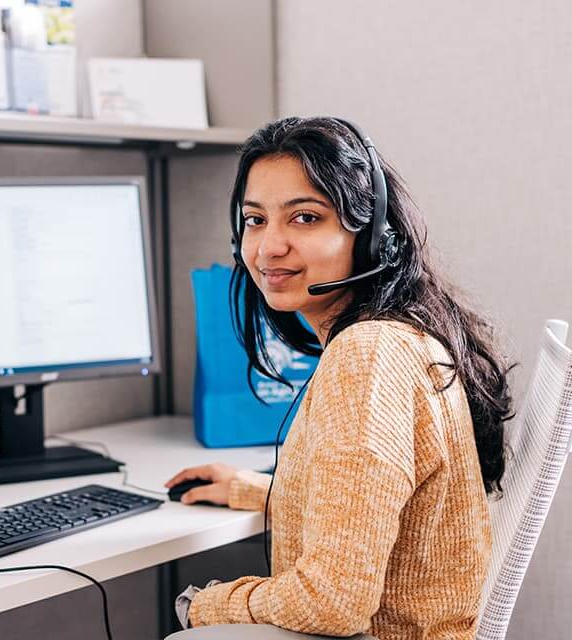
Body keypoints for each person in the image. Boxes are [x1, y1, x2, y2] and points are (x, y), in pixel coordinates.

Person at [166, 117, 514, 639]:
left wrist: (204, 605)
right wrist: (253, 489)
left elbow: (331, 601)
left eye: (305, 218)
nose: (268, 248)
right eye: (255, 220)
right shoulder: (402, 337)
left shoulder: (368, 356)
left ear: (372, 238)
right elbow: (375, 506)